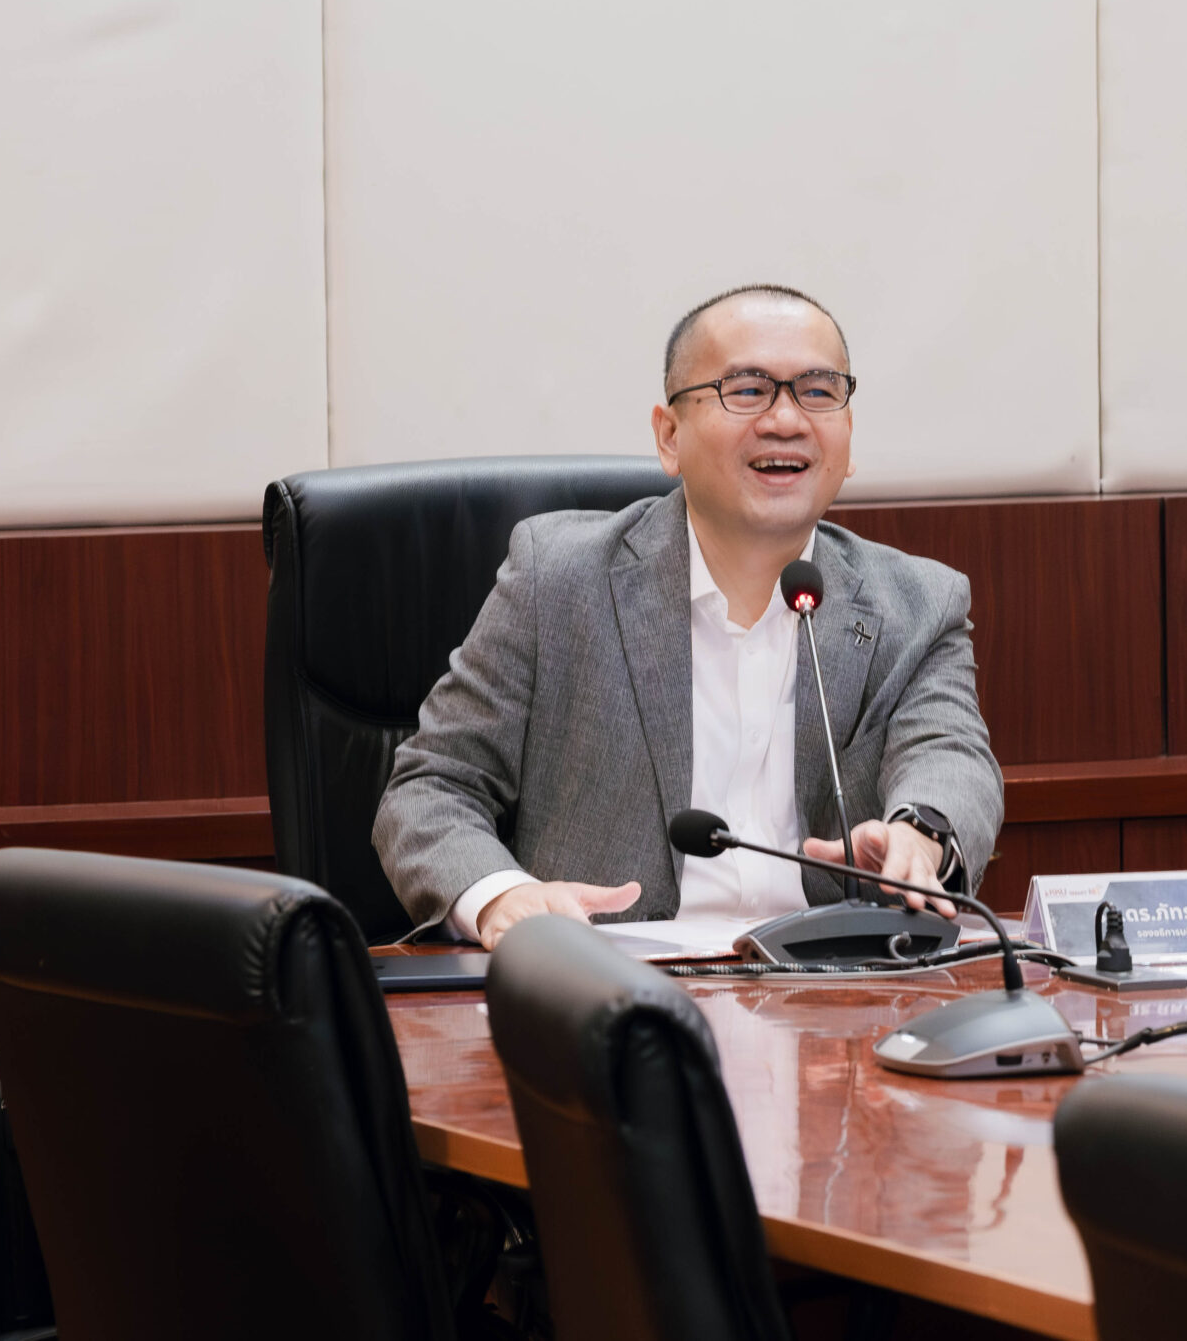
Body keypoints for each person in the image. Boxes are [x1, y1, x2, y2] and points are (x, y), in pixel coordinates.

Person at [374, 283, 1002, 948]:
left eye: (818, 391)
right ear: (669, 435)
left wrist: (922, 834)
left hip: (835, 981)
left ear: (848, 435)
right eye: (748, 389)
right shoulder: (556, 580)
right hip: (607, 984)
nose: (786, 419)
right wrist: (503, 896)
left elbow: (951, 756)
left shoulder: (919, 603)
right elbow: (432, 787)